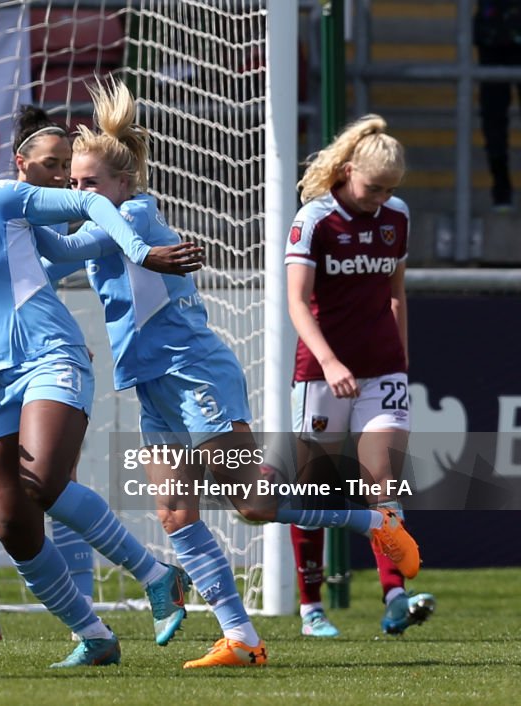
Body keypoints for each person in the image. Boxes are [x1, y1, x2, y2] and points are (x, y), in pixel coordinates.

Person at [65, 80, 424, 665]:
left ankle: (373, 523)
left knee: (253, 503)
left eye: (88, 184)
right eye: (72, 184)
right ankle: (241, 638)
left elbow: (60, 248)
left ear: (123, 184)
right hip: (152, 381)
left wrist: (9, 211)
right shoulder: (104, 218)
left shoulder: (127, 214)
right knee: (174, 512)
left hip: (194, 374)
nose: (78, 193)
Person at [0, 128, 199, 668]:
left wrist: (142, 253)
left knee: (43, 484)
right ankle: (94, 635)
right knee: (9, 521)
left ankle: (156, 575)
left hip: (49, 357)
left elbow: (89, 201)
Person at [283, 113, 435, 638]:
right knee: (317, 489)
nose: (379, 199)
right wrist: (329, 361)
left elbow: (396, 291)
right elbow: (297, 303)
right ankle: (311, 607)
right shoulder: (315, 219)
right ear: (348, 171)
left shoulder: (397, 215)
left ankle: (395, 595)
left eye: (390, 190)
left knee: (382, 480)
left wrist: (402, 355)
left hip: (382, 369)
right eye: (373, 188)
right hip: (323, 372)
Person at [11, 105, 95, 608]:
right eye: (52, 164)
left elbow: (36, 281)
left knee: (51, 480)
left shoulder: (44, 220)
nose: (63, 177)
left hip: (42, 358)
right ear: (21, 163)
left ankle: (86, 608)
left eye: (67, 164)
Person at [474, 0, 521, 211]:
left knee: (493, 119)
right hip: (491, 36)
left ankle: (502, 193)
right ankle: (501, 193)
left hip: (496, 30)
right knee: (493, 119)